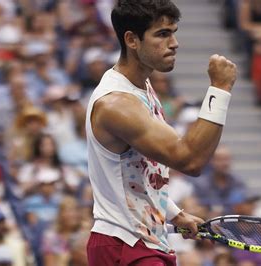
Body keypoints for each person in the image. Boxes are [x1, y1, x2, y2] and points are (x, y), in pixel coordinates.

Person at [85, 0, 237, 265]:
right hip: (124, 245)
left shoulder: (141, 85)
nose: (174, 42)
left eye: (174, 32)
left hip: (141, 242)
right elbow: (190, 160)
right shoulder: (117, 104)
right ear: (132, 40)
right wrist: (220, 88)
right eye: (163, 34)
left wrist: (175, 214)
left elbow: (138, 173)